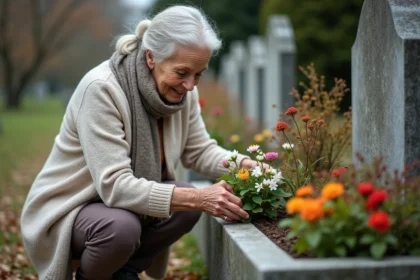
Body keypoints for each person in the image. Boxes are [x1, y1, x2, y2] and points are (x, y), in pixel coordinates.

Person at [20, 5, 263, 280]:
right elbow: (114, 186)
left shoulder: (183, 93)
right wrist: (199, 197)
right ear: (151, 57)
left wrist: (245, 165)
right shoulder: (102, 89)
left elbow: (198, 150)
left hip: (124, 209)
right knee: (124, 226)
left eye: (199, 74)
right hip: (71, 209)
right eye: (182, 72)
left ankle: (124, 272)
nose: (190, 85)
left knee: (185, 207)